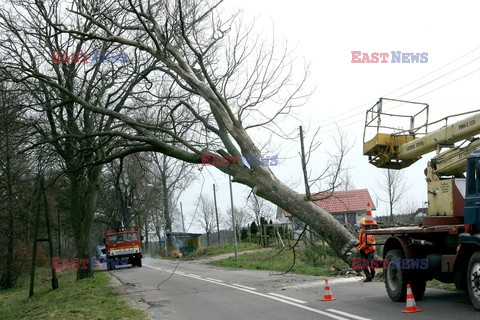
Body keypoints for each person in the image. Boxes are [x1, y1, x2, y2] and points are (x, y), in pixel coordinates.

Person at [356, 217, 377, 282]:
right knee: (363, 264)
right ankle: (369, 277)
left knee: (371, 263)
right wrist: (358, 244)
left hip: (369, 250)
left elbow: (367, 243)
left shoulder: (369, 232)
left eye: (361, 224)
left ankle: (372, 273)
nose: (360, 225)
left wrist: (360, 247)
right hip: (363, 250)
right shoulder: (362, 231)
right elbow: (361, 241)